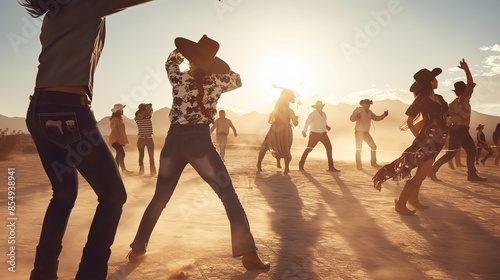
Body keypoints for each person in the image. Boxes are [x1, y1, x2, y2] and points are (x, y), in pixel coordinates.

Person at [20, 0, 153, 279]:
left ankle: (42, 274)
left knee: (65, 193)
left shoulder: (55, 12)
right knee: (113, 195)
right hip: (69, 112)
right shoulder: (89, 4)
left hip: (39, 111)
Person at [128, 35, 270, 270]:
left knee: (159, 198)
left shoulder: (178, 77)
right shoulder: (218, 81)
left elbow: (170, 61)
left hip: (173, 142)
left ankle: (137, 249)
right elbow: (238, 79)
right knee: (228, 195)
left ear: (192, 61)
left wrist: (187, 54)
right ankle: (248, 253)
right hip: (199, 143)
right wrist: (212, 62)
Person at [373, 67, 450, 216]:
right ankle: (401, 204)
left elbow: (446, 115)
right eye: (434, 78)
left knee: (423, 172)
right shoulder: (421, 99)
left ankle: (413, 199)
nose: (436, 81)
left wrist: (448, 121)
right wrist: (419, 138)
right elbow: (409, 121)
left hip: (438, 141)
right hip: (425, 142)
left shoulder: (440, 98)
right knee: (420, 175)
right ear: (430, 82)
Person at [428, 59, 487, 181]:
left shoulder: (452, 103)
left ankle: (471, 174)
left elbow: (447, 117)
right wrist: (466, 69)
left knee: (471, 151)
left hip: (460, 130)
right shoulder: (464, 99)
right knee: (451, 154)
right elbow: (470, 84)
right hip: (461, 130)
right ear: (464, 91)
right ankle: (432, 170)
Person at [256, 88, 299, 174]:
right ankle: (259, 164)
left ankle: (286, 168)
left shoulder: (289, 111)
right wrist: (280, 117)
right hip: (276, 130)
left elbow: (295, 124)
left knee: (286, 149)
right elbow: (270, 120)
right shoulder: (277, 109)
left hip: (285, 132)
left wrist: (293, 118)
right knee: (265, 146)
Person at [298, 100, 340, 172]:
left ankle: (331, 167)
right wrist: (304, 131)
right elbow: (307, 122)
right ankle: (301, 165)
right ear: (316, 107)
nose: (320, 107)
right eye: (319, 106)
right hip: (314, 134)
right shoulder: (313, 114)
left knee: (329, 148)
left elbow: (324, 122)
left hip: (323, 134)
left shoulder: (324, 114)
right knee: (309, 149)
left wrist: (327, 126)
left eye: (321, 106)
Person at [349, 99, 388, 170]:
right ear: (362, 104)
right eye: (367, 103)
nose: (368, 105)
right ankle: (359, 165)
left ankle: (373, 162)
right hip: (359, 132)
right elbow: (351, 119)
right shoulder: (358, 110)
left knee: (373, 146)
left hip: (366, 132)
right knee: (359, 149)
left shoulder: (370, 112)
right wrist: (356, 117)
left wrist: (384, 115)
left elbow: (376, 118)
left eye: (369, 104)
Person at [109, 104, 133, 175]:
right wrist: (119, 140)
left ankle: (115, 171)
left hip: (116, 140)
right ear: (118, 111)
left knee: (119, 154)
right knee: (121, 154)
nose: (123, 111)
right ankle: (123, 170)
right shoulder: (116, 120)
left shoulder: (118, 119)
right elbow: (115, 130)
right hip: (115, 140)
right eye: (121, 110)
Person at [135, 103, 157, 176]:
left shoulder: (137, 118)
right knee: (151, 156)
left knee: (141, 155)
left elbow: (147, 111)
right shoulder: (148, 117)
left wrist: (145, 108)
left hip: (141, 139)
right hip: (149, 139)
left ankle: (141, 171)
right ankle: (153, 172)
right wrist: (147, 107)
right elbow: (151, 108)